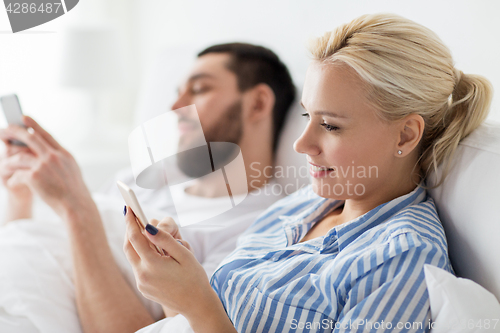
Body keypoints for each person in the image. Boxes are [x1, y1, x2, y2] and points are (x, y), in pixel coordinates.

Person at [124, 14, 493, 333]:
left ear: (406, 133)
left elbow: (205, 317)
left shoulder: (402, 257)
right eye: (307, 116)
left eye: (330, 125)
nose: (302, 144)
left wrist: (197, 303)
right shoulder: (299, 207)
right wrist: (175, 280)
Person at [0, 43, 296, 332]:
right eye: (178, 92)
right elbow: (33, 251)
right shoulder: (138, 180)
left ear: (257, 103)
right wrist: (21, 198)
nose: (175, 106)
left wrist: (76, 206)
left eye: (199, 89)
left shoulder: (260, 231)